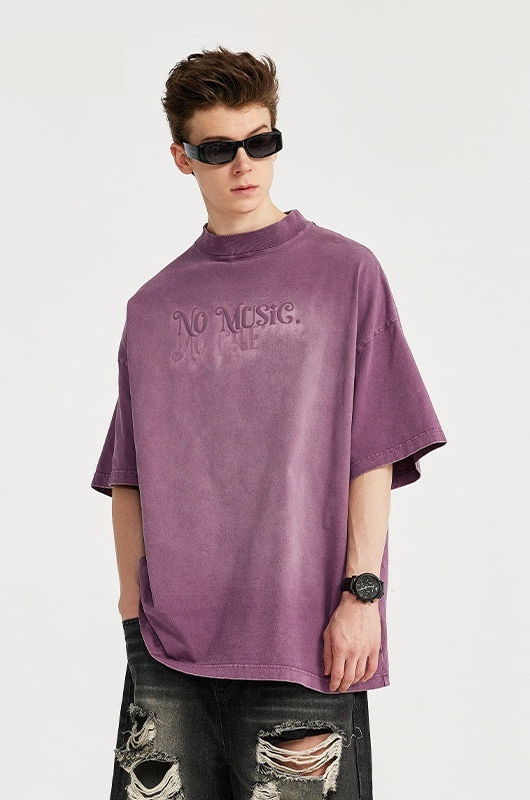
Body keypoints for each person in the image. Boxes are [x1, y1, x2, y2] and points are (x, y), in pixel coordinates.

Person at [91, 46, 447, 800]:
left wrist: (363, 595)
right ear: (182, 158)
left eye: (260, 141)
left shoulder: (345, 274)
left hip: (303, 637)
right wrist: (131, 610)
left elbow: (373, 449)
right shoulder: (153, 307)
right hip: (169, 647)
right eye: (218, 149)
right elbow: (129, 475)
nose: (243, 164)